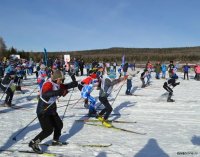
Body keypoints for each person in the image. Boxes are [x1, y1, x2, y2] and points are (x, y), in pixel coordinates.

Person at [29, 70, 78, 154]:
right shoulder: (48, 84)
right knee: (48, 130)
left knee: (59, 124)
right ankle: (33, 143)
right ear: (57, 79)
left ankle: (55, 140)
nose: (62, 81)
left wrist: (74, 83)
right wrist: (59, 92)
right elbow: (45, 94)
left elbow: (66, 86)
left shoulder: (57, 84)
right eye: (61, 79)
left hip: (51, 109)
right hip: (43, 110)